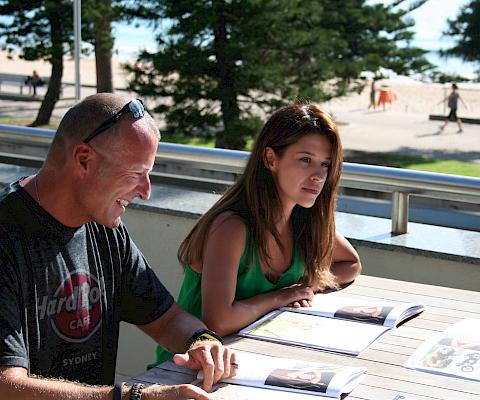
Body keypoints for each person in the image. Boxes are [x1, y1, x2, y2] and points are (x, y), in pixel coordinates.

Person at [0, 93, 237, 400]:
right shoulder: (8, 235)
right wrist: (133, 396)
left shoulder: (105, 228)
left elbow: (166, 319)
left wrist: (202, 341)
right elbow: (7, 385)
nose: (146, 191)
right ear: (84, 159)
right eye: (138, 173)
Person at [154, 103, 362, 365]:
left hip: (250, 359)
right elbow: (218, 320)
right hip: (184, 372)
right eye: (305, 160)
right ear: (270, 159)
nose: (318, 176)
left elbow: (351, 264)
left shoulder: (304, 219)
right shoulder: (231, 226)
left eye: (325, 164)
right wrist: (281, 296)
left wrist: (305, 289)